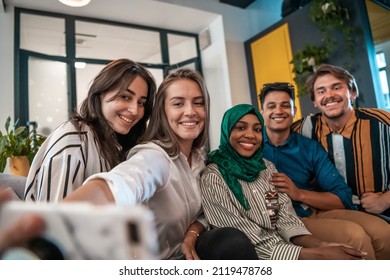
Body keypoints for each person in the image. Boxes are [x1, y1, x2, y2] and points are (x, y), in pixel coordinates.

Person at [63, 69, 257, 260]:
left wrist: (192, 234)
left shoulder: (199, 159)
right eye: (178, 103)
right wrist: (54, 222)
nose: (190, 112)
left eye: (198, 103)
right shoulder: (155, 157)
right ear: (163, 112)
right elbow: (119, 184)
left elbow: (205, 211)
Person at [200, 103, 367, 260]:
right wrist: (316, 255)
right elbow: (248, 242)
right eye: (240, 127)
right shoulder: (213, 177)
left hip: (288, 249)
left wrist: (321, 245)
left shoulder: (266, 168)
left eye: (257, 129)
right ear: (226, 130)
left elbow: (283, 217)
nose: (250, 135)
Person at [259, 82, 390, 260]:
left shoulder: (308, 147)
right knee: (356, 237)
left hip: (316, 210)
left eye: (285, 105)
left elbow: (342, 196)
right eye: (271, 106)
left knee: (384, 233)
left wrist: (299, 193)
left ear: (294, 110)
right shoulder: (252, 146)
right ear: (262, 112)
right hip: (291, 219)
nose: (279, 111)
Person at [24, 58, 156, 202]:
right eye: (125, 97)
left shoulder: (115, 142)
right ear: (99, 94)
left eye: (141, 103)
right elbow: (55, 218)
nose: (134, 110)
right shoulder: (74, 139)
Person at [291, 64, 390, 220]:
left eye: (336, 88)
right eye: (321, 91)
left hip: (382, 210)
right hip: (333, 214)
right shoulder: (302, 130)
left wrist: (385, 200)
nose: (329, 95)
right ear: (315, 101)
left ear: (352, 93)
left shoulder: (383, 123)